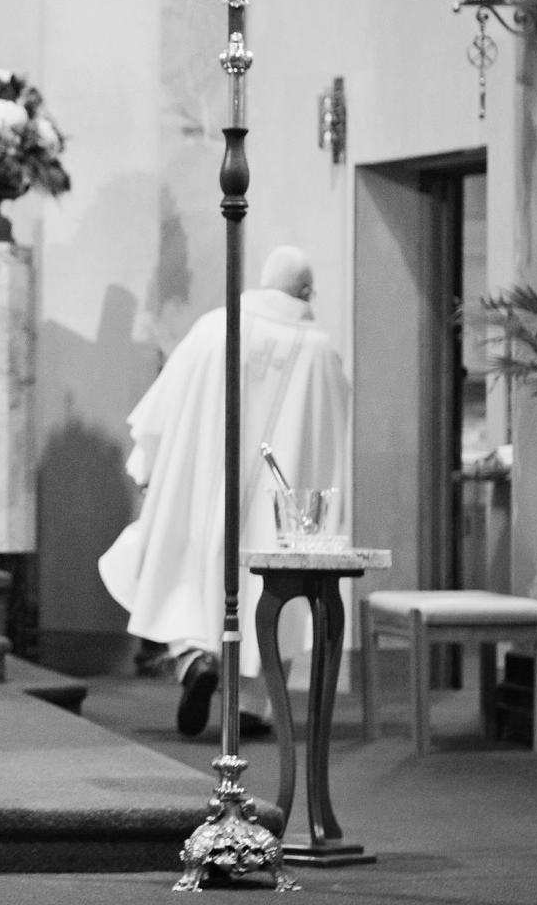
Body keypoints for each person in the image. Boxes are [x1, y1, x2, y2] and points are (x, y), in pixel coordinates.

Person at [98, 246, 351, 738]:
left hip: (202, 490)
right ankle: (254, 708)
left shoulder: (217, 326)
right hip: (272, 510)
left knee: (187, 575)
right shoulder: (320, 350)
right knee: (264, 595)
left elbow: (164, 403)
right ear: (304, 291)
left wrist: (149, 466)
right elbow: (334, 429)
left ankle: (194, 659)